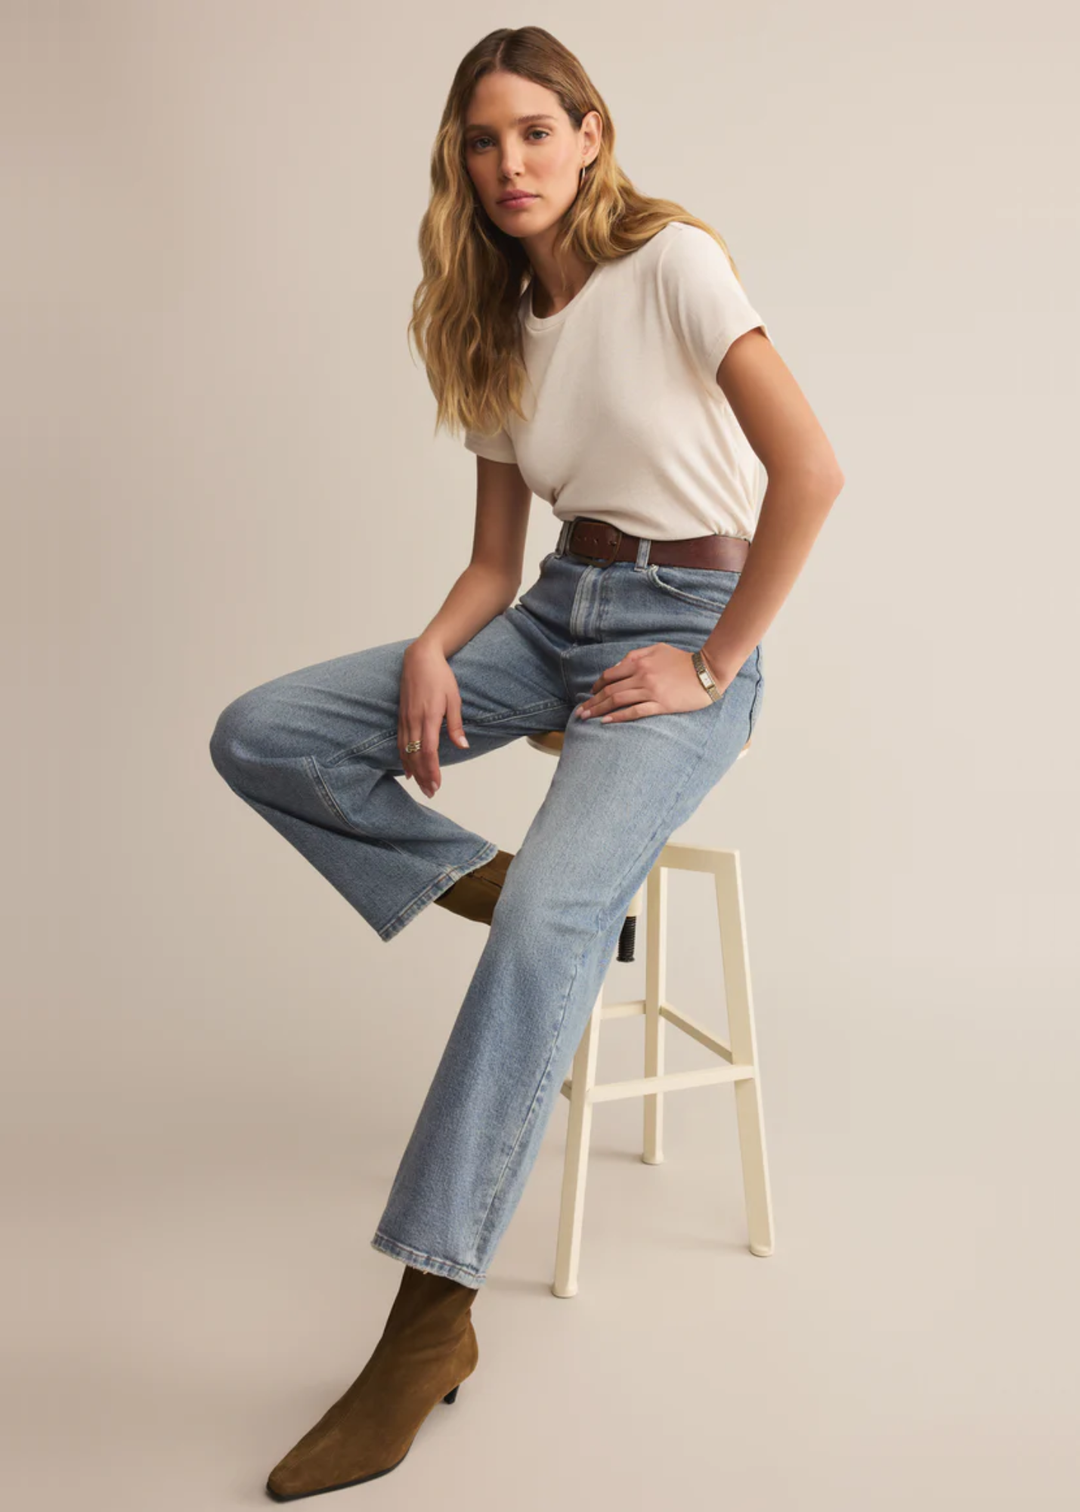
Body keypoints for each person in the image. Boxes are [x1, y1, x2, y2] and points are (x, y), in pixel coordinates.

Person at [209, 25, 844, 1503]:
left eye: (534, 134)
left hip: (687, 622)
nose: (509, 166)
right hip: (554, 611)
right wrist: (436, 645)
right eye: (481, 143)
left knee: (550, 934)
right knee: (266, 732)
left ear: (590, 133)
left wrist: (710, 662)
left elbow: (809, 472)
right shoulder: (492, 322)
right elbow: (497, 557)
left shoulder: (675, 263)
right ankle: (507, 887)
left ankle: (427, 1329)